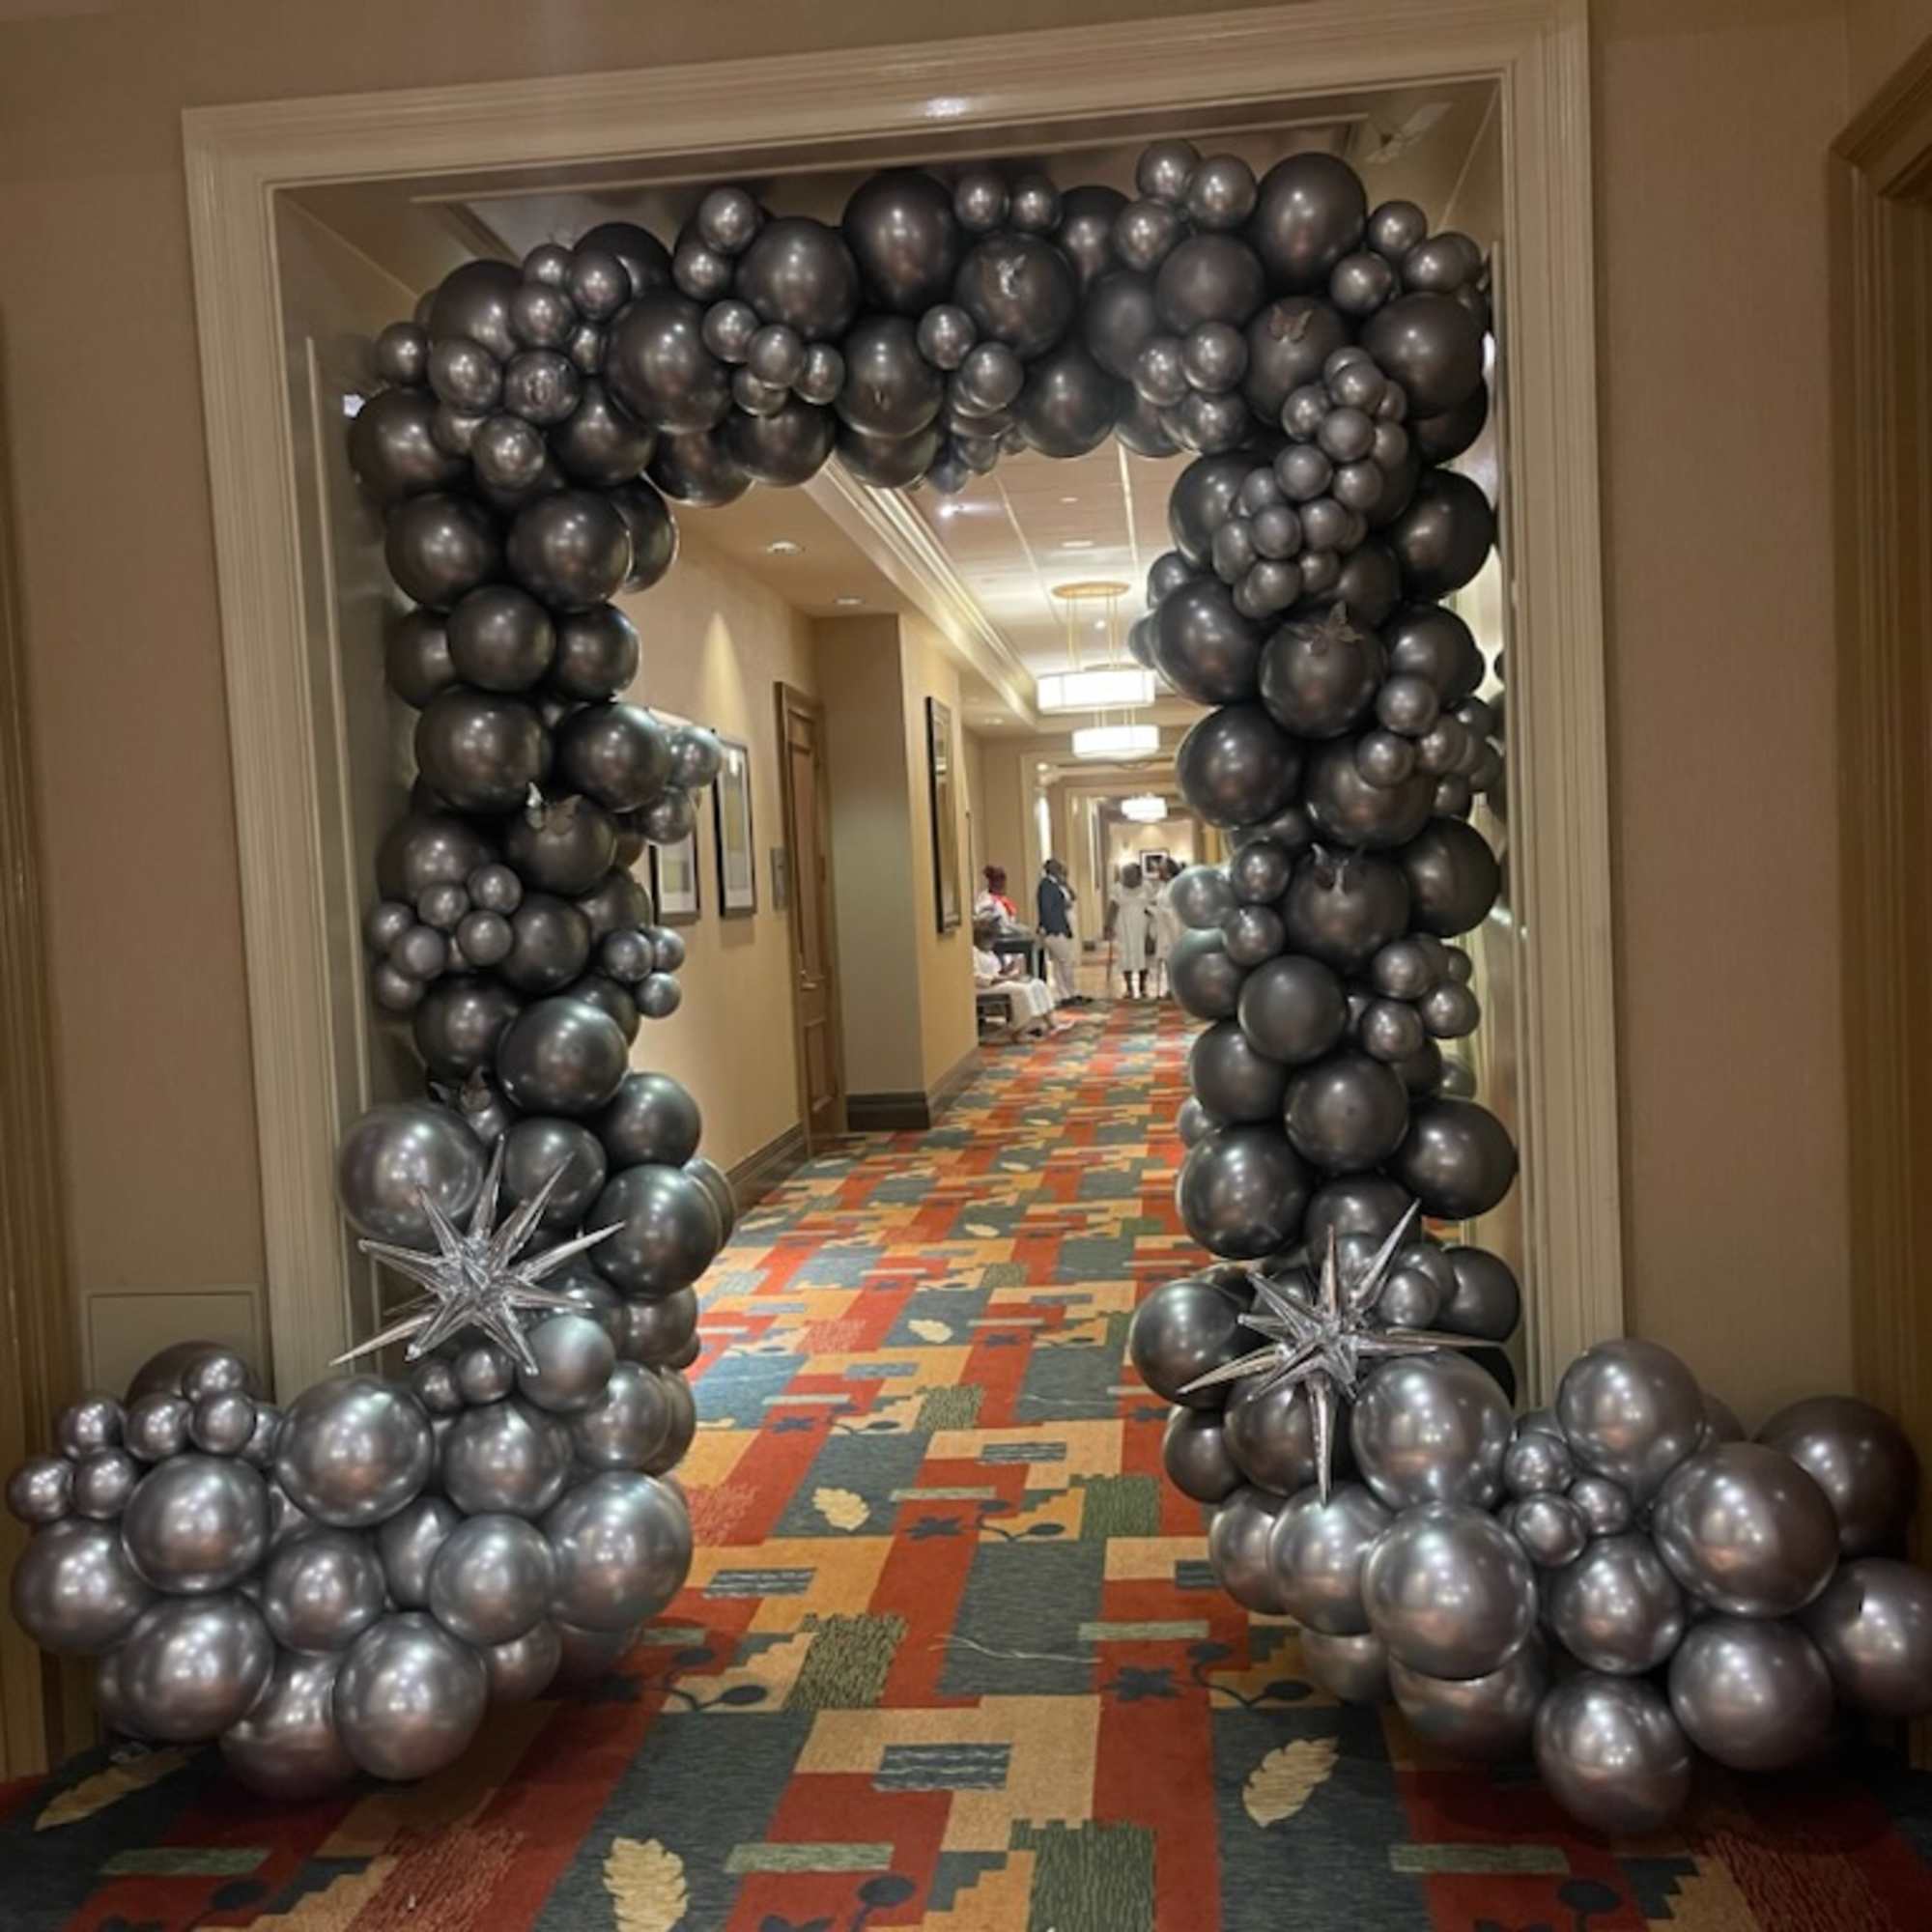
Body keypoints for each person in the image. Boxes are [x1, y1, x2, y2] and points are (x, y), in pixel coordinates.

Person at [972, 917, 1057, 1037]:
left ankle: (1049, 1020)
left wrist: (1008, 970)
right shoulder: (973, 952)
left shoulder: (988, 952)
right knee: (1021, 990)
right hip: (985, 986)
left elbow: (996, 971)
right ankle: (1020, 1029)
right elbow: (978, 977)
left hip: (999, 981)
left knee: (1037, 984)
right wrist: (1006, 979)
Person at [1037, 857, 1084, 1007]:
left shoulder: (1057, 885)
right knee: (1065, 961)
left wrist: (1065, 883)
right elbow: (1047, 910)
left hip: (1064, 926)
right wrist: (1055, 929)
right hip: (1055, 929)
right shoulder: (1046, 886)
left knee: (1060, 962)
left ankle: (1066, 994)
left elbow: (1072, 897)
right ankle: (1070, 992)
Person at [1106, 861, 1156, 1001]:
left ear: (1138, 874)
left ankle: (1142, 986)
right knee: (1125, 955)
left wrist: (1153, 925)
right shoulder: (1117, 888)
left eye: (1130, 874)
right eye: (1125, 874)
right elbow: (1112, 907)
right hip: (1123, 925)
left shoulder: (1147, 886)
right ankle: (1129, 987)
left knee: (1144, 955)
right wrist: (1108, 926)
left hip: (1143, 924)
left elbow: (1152, 905)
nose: (1127, 876)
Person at [1151, 855, 1184, 998]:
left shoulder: (1177, 885)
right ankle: (1171, 988)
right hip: (1163, 928)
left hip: (1175, 927)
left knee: (1175, 959)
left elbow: (1175, 907)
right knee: (1166, 959)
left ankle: (1179, 989)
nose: (1158, 873)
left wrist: (1158, 910)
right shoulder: (1163, 886)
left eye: (1160, 870)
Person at [974, 865, 1019, 929]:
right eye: (998, 881)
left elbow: (1010, 922)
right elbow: (978, 918)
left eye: (1003, 882)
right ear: (991, 882)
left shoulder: (1003, 901)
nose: (1002, 885)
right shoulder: (986, 900)